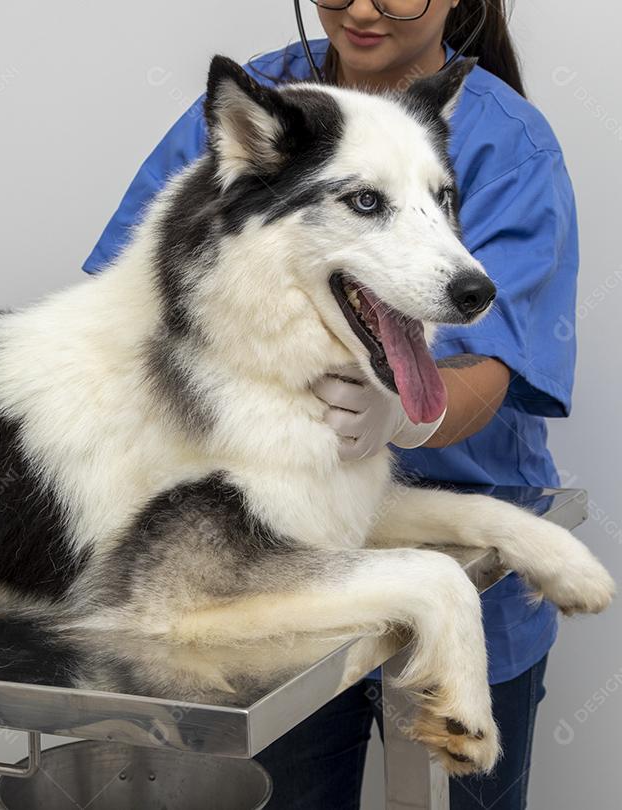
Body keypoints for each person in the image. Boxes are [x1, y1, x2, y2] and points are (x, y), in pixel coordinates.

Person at [81, 1, 579, 807]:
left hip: (462, 539)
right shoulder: (269, 104)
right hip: (283, 555)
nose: (362, 7)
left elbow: (501, 358)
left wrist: (410, 411)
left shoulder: (507, 143)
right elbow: (128, 294)